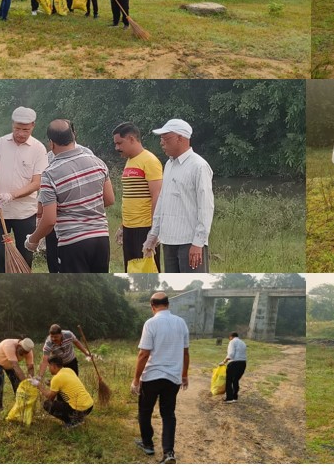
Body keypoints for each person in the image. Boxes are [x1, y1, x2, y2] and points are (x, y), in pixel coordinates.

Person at [24, 119, 114, 272]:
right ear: (73, 137)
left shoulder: (50, 173)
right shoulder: (98, 162)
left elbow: (49, 220)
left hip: (73, 243)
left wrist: (33, 240)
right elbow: (109, 199)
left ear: (51, 144)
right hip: (101, 239)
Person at [142, 119, 214, 273]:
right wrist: (153, 234)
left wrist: (198, 243)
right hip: (169, 240)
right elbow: (162, 200)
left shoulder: (198, 166)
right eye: (161, 139)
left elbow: (206, 207)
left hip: (189, 242)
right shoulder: (169, 165)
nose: (162, 143)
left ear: (181, 138)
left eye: (166, 139)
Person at [0, 107, 48, 274]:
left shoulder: (38, 149)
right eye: (17, 128)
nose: (20, 133)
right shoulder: (0, 144)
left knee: (25, 255)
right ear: (12, 124)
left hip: (25, 213)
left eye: (25, 130)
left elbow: (36, 183)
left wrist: (11, 195)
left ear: (33, 126)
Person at [132, 292, 190, 464]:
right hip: (173, 378)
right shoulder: (181, 323)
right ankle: (168, 453)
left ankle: (148, 444)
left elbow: (143, 354)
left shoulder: (151, 323)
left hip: (152, 377)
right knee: (168, 414)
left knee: (145, 411)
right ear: (168, 304)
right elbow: (185, 352)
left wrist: (136, 379)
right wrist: (184, 375)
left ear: (152, 306)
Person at [113, 122, 163, 272]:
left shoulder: (150, 161)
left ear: (132, 139)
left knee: (148, 272)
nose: (117, 148)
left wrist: (154, 231)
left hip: (145, 228)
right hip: (129, 228)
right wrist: (123, 226)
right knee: (132, 270)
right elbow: (131, 197)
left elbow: (157, 195)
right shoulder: (129, 161)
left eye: (119, 143)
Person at [34, 355, 94, 428]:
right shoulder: (69, 370)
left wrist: (39, 386)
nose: (48, 369)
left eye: (49, 366)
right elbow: (66, 384)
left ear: (54, 366)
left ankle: (73, 422)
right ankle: (78, 418)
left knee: (47, 404)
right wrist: (51, 384)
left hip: (79, 410)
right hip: (89, 407)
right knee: (61, 397)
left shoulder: (57, 378)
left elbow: (50, 397)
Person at [0, 338, 35, 410]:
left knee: (16, 381)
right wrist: (25, 383)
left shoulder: (28, 352)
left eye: (26, 353)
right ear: (18, 346)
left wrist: (30, 381)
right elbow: (15, 366)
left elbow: (30, 367)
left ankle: (20, 403)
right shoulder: (9, 346)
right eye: (22, 352)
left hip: (9, 363)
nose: (24, 354)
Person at [220, 332, 247, 404]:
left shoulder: (232, 342)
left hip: (234, 363)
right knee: (236, 380)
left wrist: (224, 362)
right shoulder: (243, 342)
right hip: (243, 363)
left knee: (229, 380)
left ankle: (229, 398)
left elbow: (231, 354)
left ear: (231, 336)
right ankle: (235, 397)